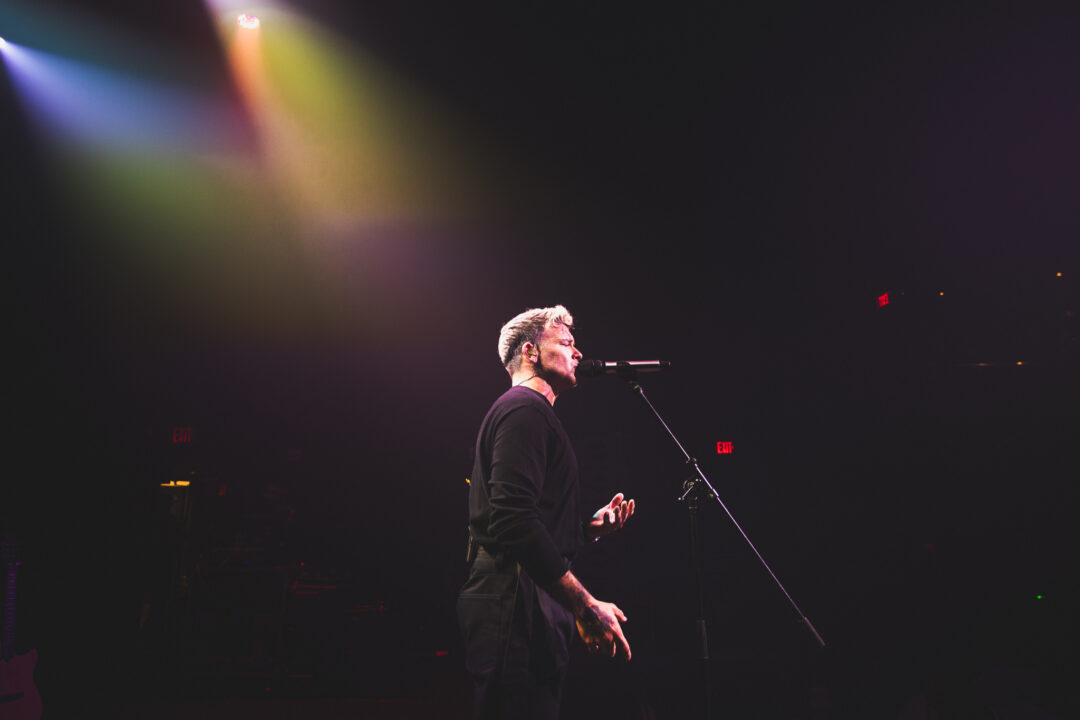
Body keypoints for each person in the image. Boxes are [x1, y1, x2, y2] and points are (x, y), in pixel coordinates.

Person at [457, 304, 636, 719]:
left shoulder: (527, 412)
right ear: (531, 352)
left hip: (523, 595)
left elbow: (523, 516)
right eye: (566, 342)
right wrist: (585, 604)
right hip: (514, 599)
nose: (578, 352)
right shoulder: (525, 411)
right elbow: (513, 519)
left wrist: (584, 530)